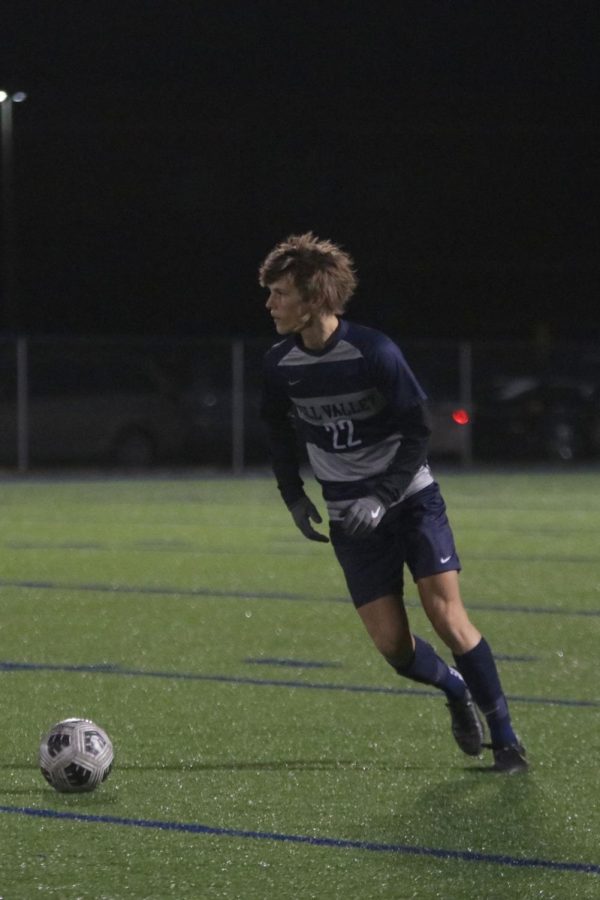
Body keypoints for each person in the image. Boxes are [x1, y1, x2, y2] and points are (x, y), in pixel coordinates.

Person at [259, 232, 527, 774]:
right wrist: (293, 495)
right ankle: (454, 689)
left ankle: (506, 740)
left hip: (409, 500)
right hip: (348, 519)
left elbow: (418, 431)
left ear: (313, 301)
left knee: (447, 616)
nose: (270, 304)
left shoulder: (375, 352)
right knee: (393, 649)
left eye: (280, 293)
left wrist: (383, 497)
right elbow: (275, 433)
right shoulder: (278, 363)